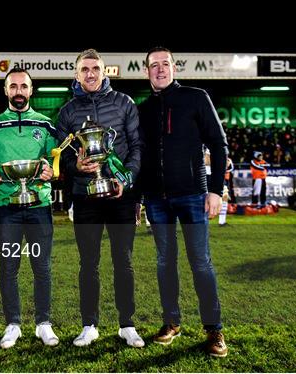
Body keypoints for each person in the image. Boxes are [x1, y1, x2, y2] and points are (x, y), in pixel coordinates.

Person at [137, 47, 228, 357]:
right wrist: (139, 199)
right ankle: (171, 322)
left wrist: (215, 189)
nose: (160, 69)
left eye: (165, 64)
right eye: (154, 65)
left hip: (192, 195)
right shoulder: (143, 109)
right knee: (165, 263)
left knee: (201, 262)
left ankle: (214, 329)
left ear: (174, 67)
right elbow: (141, 157)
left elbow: (218, 143)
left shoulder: (196, 97)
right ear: (146, 71)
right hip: (156, 199)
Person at [56, 49, 144, 348]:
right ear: (76, 74)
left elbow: (136, 148)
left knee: (124, 261)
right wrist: (75, 166)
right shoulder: (68, 111)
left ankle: (127, 324)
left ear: (105, 72)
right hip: (84, 195)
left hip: (120, 195)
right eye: (84, 69)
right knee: (88, 263)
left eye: (95, 68)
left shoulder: (124, 103)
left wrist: (124, 178)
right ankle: (89, 325)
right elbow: (61, 158)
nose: (90, 74)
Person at [0, 68, 59, 349]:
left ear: (31, 90)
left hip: (39, 205)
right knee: (9, 267)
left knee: (42, 267)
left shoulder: (46, 124)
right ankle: (13, 324)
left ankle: (43, 324)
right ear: (6, 91)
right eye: (13, 86)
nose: (19, 91)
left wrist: (50, 169)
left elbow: (54, 156)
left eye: (24, 86)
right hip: (6, 207)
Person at [219, 157, 234, 226]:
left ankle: (222, 221)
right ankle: (221, 221)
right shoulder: (217, 157)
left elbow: (231, 168)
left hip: (226, 180)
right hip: (220, 179)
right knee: (224, 198)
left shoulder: (228, 159)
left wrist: (225, 168)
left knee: (225, 199)